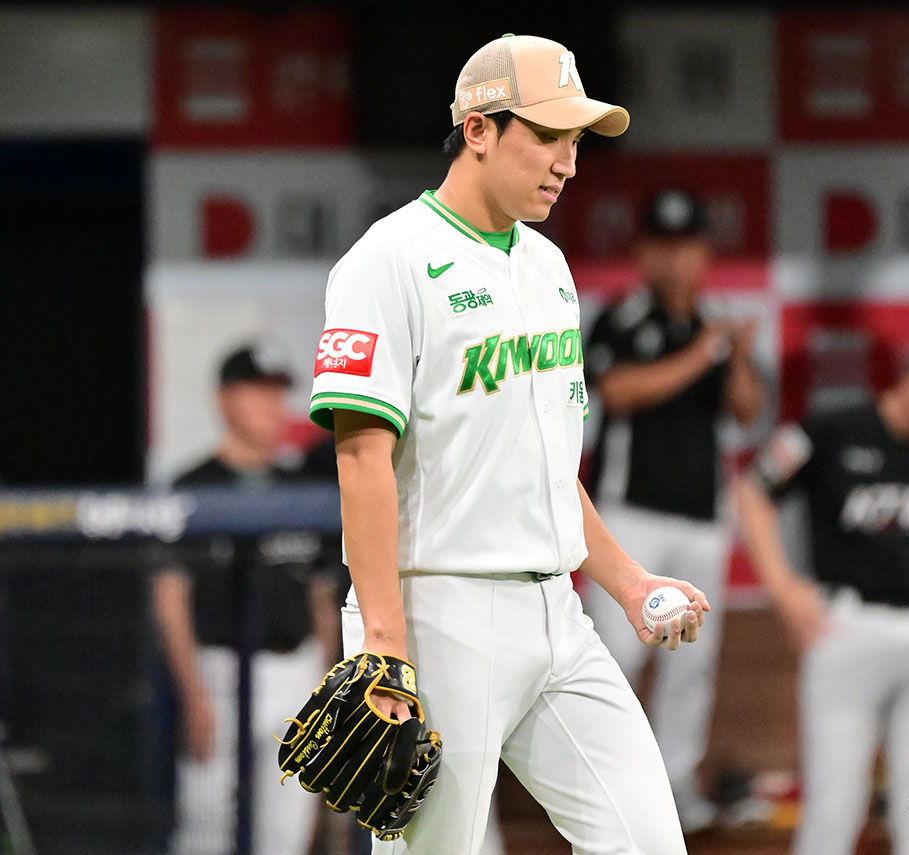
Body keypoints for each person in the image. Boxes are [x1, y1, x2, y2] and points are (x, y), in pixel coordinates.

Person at [307, 34, 709, 855]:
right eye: (548, 135)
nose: (568, 162)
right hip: (441, 608)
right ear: (479, 129)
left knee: (647, 842)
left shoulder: (548, 265)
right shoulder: (388, 260)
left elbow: (548, 464)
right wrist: (383, 641)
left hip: (557, 611)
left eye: (576, 141)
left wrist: (628, 583)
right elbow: (360, 458)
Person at [735, 338, 909, 855]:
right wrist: (783, 587)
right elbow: (753, 490)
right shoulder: (832, 430)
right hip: (850, 627)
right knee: (834, 814)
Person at [583, 188, 764, 831]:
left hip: (701, 518)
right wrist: (702, 354)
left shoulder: (715, 325)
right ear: (642, 252)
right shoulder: (621, 318)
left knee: (690, 665)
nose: (675, 260)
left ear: (705, 253)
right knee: (613, 659)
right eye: (662, 245)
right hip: (629, 517)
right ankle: (599, 792)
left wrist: (736, 355)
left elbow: (746, 409)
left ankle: (675, 787)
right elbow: (618, 391)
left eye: (687, 245)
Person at [152, 344, 340, 855]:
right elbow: (170, 598)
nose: (273, 406)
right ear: (225, 399)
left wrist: (325, 692)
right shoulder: (193, 485)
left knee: (285, 835)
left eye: (279, 393)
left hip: (295, 670)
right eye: (259, 391)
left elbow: (322, 597)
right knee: (205, 829)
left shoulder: (304, 487)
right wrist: (192, 693)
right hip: (219, 672)